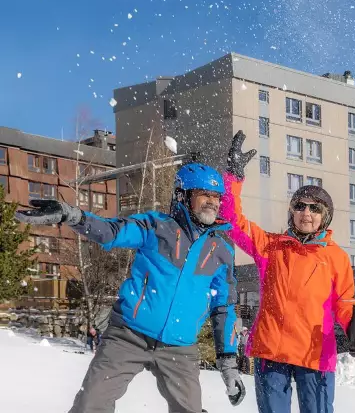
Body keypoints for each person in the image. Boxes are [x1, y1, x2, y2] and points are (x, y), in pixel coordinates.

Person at [15, 162, 247, 413]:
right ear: (183, 195)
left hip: (180, 348)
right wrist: (72, 215)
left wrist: (228, 363)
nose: (211, 201)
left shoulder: (221, 252)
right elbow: (111, 232)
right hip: (128, 336)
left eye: (216, 196)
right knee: (90, 405)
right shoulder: (155, 227)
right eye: (204, 194)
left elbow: (224, 308)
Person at [223, 130, 355, 413]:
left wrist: (354, 322)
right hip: (272, 352)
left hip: (314, 354)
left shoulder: (336, 257)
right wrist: (232, 177)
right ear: (292, 211)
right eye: (300, 206)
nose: (307, 212)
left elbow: (344, 302)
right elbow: (232, 221)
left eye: (315, 208)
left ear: (324, 216)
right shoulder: (271, 246)